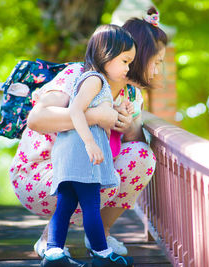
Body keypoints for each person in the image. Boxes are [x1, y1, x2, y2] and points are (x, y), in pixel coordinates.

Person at [8, 7, 167, 258]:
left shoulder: (131, 95)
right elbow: (37, 119)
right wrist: (96, 115)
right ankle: (51, 239)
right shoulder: (77, 75)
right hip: (40, 174)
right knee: (89, 176)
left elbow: (131, 150)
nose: (158, 71)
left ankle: (99, 236)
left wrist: (126, 124)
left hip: (86, 169)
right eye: (156, 62)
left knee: (141, 156)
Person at [40, 24, 136, 267]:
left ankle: (53, 254)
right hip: (81, 152)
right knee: (91, 205)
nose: (128, 68)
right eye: (125, 61)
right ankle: (103, 255)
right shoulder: (94, 79)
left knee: (67, 204)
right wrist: (91, 143)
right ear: (107, 53)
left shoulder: (94, 82)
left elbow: (92, 111)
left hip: (70, 152)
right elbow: (75, 110)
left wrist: (116, 110)